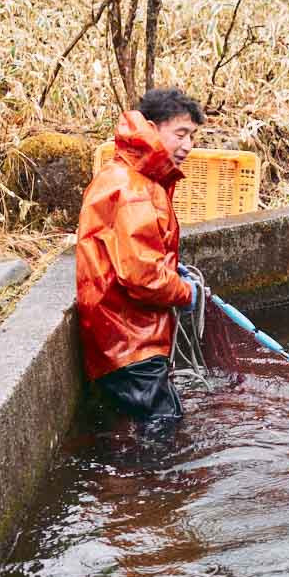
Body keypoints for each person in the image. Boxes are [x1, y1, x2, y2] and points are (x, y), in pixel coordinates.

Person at [76, 88, 204, 421]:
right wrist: (185, 291)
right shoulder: (133, 188)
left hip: (124, 337)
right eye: (180, 134)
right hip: (129, 341)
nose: (188, 146)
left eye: (192, 136)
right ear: (151, 127)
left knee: (148, 433)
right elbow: (142, 276)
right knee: (162, 441)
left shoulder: (134, 176)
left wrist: (173, 271)